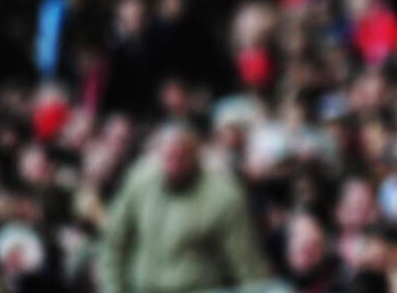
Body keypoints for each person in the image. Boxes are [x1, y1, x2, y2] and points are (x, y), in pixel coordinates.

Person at [97, 123, 272, 293]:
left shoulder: (224, 196)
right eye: (168, 157)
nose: (174, 165)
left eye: (181, 157)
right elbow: (113, 243)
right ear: (158, 154)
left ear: (196, 155)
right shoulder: (139, 183)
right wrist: (113, 288)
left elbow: (246, 263)